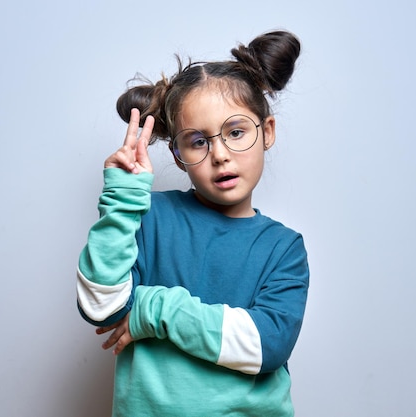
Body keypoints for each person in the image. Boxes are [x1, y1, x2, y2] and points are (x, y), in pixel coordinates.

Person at [76, 30, 309, 417]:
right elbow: (101, 307)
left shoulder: (282, 248)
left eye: (236, 132)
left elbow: (264, 345)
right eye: (198, 141)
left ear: (266, 132)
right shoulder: (147, 216)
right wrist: (121, 201)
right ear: (177, 153)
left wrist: (153, 308)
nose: (220, 154)